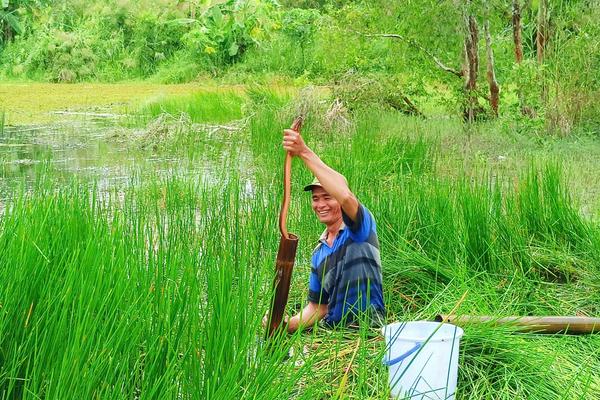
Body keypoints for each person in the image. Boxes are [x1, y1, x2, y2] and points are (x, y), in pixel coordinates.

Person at [277, 126, 386, 333]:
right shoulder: (318, 254)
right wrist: (284, 326)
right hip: (333, 337)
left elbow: (346, 197)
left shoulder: (360, 230)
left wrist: (304, 152)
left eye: (327, 197)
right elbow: (318, 307)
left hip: (367, 333)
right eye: (316, 199)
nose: (321, 205)